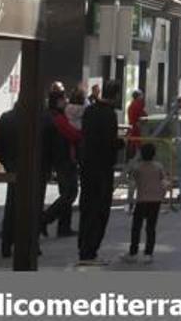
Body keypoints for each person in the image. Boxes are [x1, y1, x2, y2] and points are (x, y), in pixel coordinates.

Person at [78, 80, 123, 265]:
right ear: (117, 95)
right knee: (100, 209)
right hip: (103, 167)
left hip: (87, 165)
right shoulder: (109, 115)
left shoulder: (89, 111)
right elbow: (108, 142)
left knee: (87, 206)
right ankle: (91, 249)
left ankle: (84, 247)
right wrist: (120, 144)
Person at [42, 90, 82, 238]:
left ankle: (63, 226)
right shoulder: (57, 118)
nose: (65, 102)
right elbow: (71, 133)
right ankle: (45, 218)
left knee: (67, 193)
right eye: (63, 99)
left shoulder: (53, 116)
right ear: (57, 101)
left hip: (62, 158)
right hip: (63, 159)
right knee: (69, 193)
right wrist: (81, 134)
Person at [126, 142, 167, 264]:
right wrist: (162, 196)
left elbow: (132, 185)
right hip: (155, 201)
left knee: (136, 227)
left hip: (141, 200)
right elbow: (164, 183)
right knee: (151, 227)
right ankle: (148, 253)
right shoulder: (159, 166)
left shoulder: (137, 168)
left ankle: (133, 252)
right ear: (154, 154)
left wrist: (130, 201)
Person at [0, 101, 21, 260]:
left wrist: (6, 163)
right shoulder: (32, 118)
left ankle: (6, 244)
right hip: (28, 167)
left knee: (11, 206)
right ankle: (25, 243)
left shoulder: (6, 118)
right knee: (28, 207)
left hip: (12, 165)